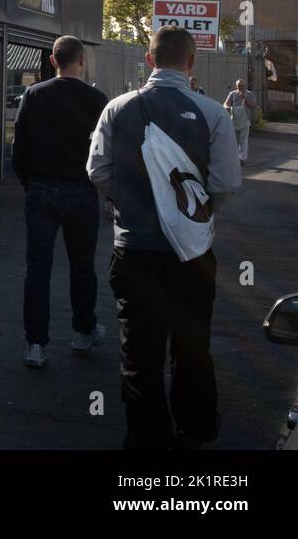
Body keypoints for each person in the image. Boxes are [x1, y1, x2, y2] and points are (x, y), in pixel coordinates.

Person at [87, 26, 242, 450]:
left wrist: (132, 203)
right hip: (193, 254)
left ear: (150, 60)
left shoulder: (117, 109)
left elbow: (97, 171)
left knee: (140, 350)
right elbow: (226, 181)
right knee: (193, 344)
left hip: (135, 249)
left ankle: (148, 437)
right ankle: (196, 427)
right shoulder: (214, 113)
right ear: (191, 62)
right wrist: (192, 216)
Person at [12, 36, 109, 369]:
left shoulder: (34, 95)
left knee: (38, 267)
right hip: (81, 192)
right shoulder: (97, 100)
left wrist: (30, 182)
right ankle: (83, 331)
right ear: (81, 60)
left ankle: (35, 344)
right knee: (82, 265)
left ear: (53, 61)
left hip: (41, 189)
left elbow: (19, 147)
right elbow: (104, 153)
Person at [223, 80, 256, 164]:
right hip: (234, 120)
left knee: (243, 140)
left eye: (241, 85)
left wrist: (244, 97)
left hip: (245, 120)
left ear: (244, 85)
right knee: (234, 140)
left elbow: (253, 105)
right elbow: (226, 104)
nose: (240, 87)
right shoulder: (232, 94)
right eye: (238, 86)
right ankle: (234, 157)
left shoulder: (249, 94)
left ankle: (242, 158)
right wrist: (227, 107)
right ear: (236, 86)